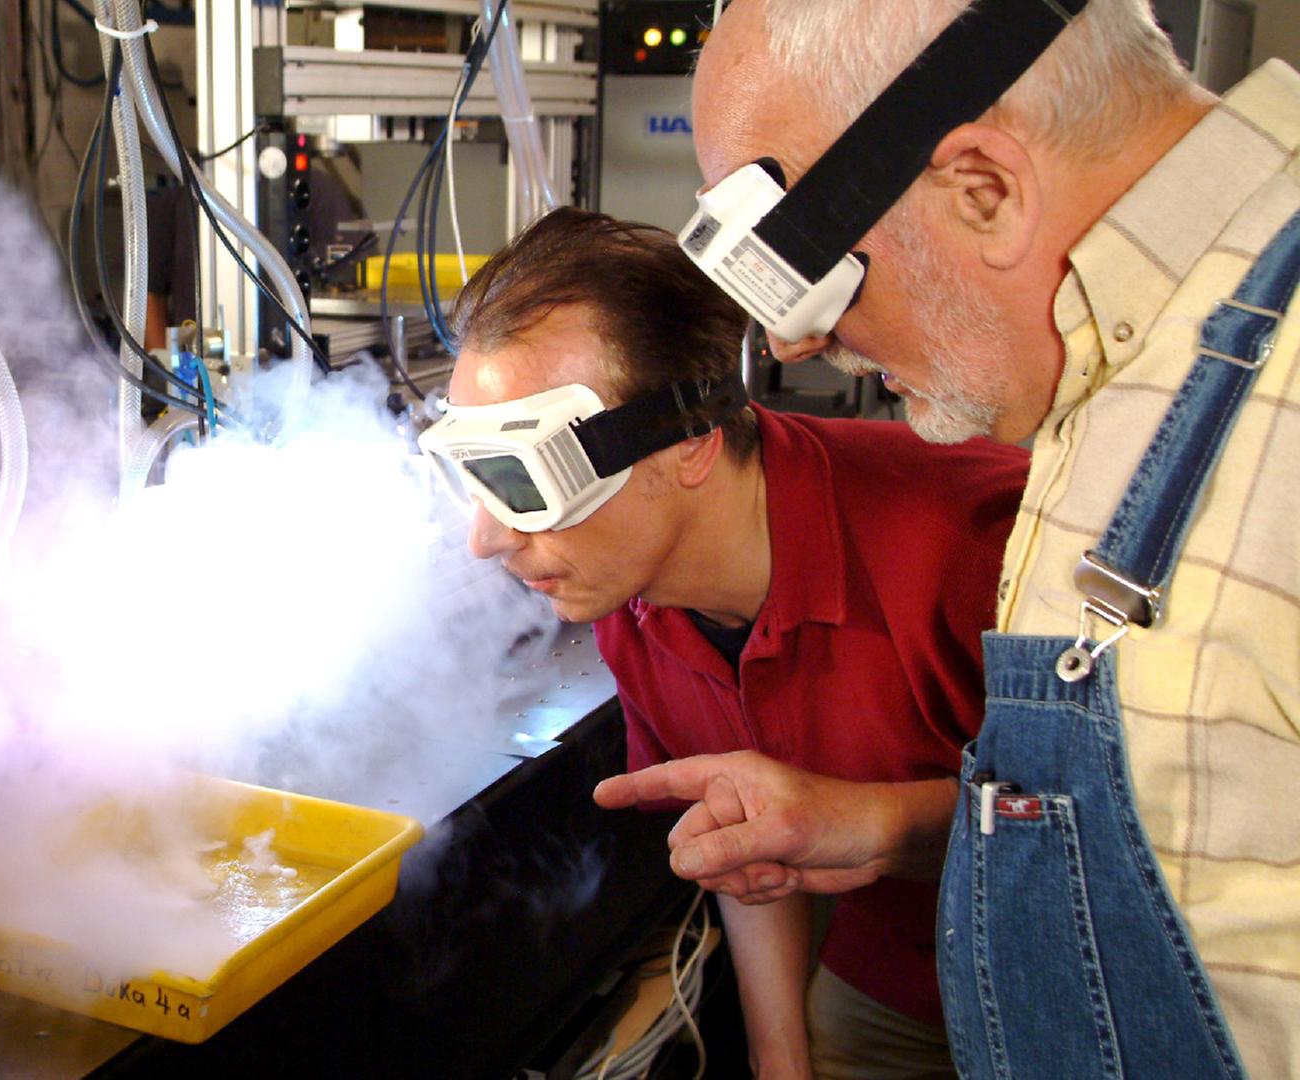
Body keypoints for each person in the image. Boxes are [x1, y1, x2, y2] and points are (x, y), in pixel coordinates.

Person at [595, 1, 1300, 1075]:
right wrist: (873, 826)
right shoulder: (1114, 375)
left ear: (985, 191)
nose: (800, 340)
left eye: (817, 276)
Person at [426, 206, 1028, 1078]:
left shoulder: (979, 545)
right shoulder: (629, 595)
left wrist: (877, 822)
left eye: (524, 476)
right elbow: (750, 840)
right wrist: (781, 1056)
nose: (487, 539)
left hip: (1091, 978)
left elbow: (1143, 832)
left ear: (691, 446)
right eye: (471, 475)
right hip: (895, 971)